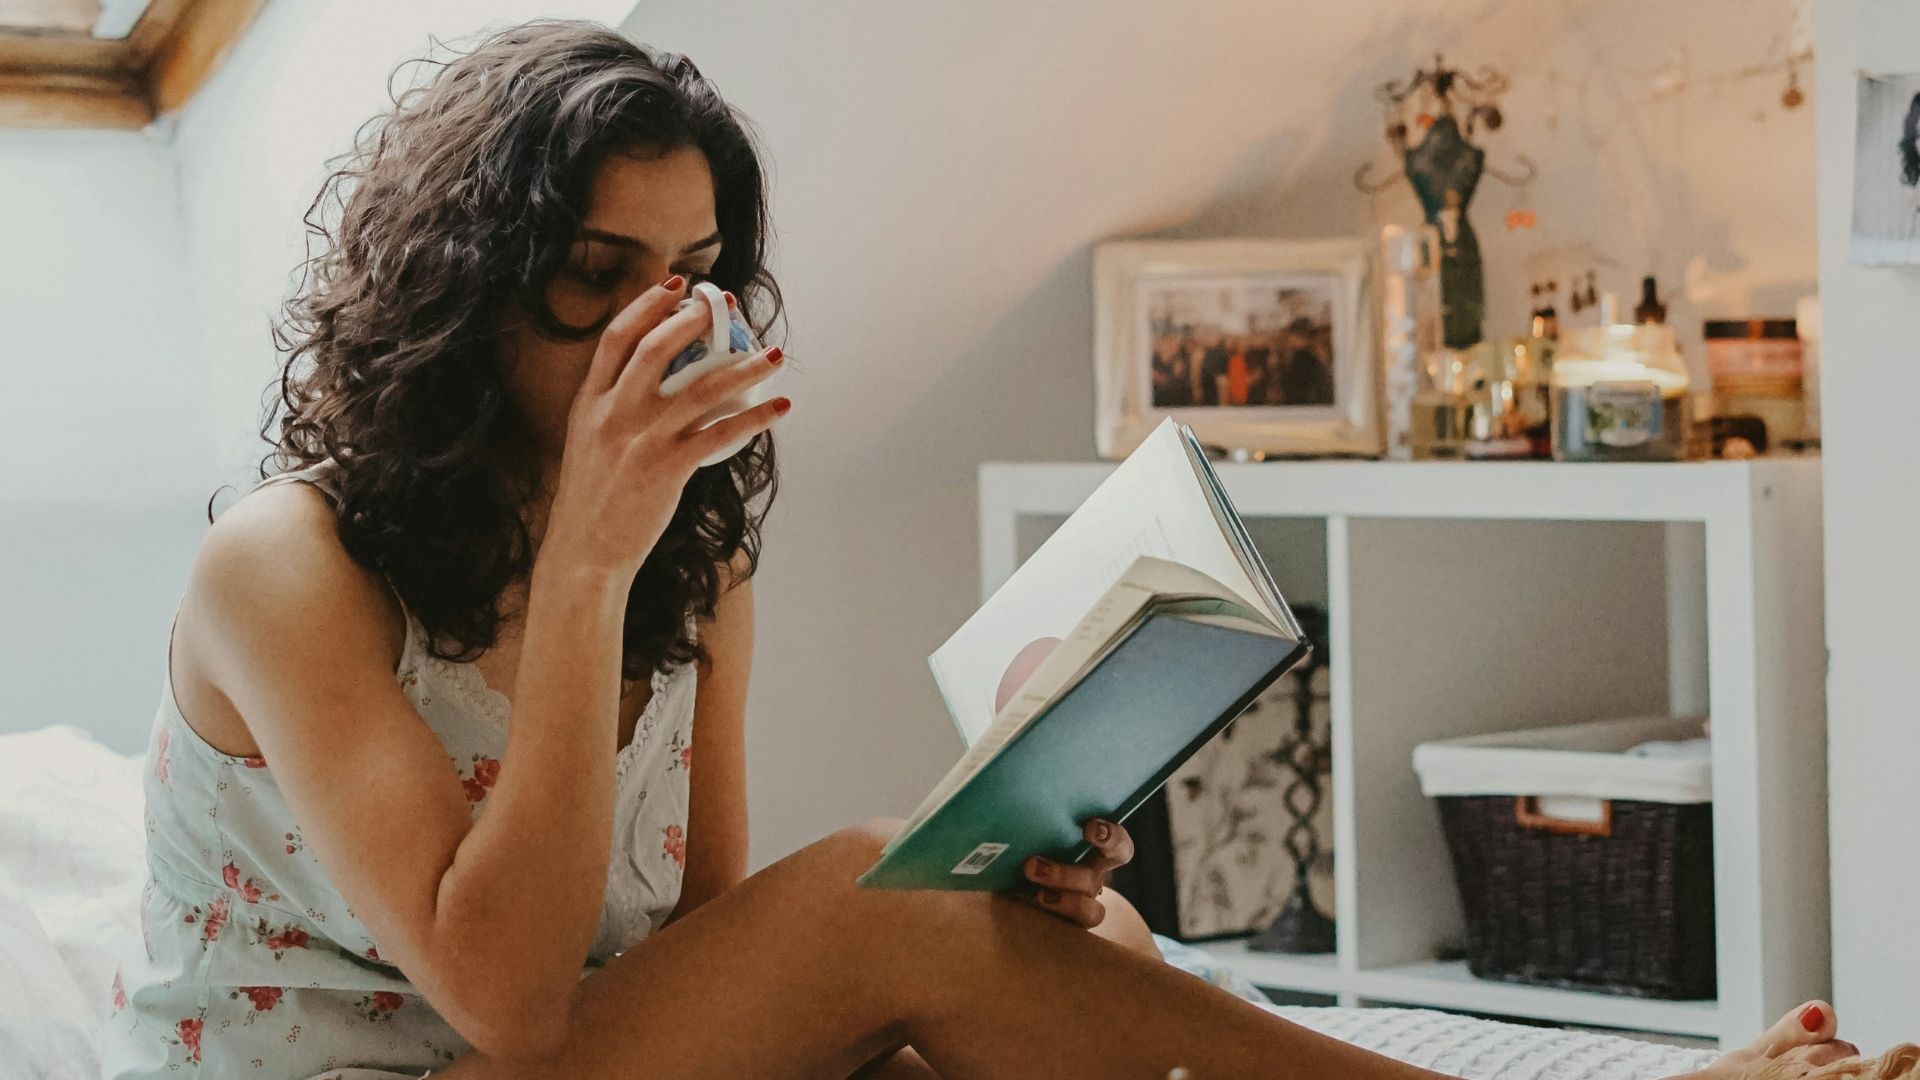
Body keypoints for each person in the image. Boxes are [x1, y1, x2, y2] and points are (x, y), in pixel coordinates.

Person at [98, 19, 1858, 1080]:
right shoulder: (288, 567)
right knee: (898, 901)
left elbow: (696, 957)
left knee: (1079, 970)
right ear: (467, 291)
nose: (664, 329)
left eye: (692, 273)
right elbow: (506, 1002)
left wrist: (992, 914)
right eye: (595, 276)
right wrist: (580, 573)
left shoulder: (697, 548)